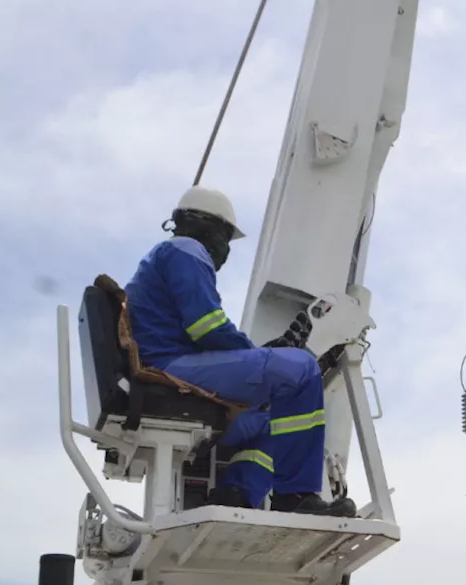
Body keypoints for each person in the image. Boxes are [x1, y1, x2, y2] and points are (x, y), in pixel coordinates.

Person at [124, 185, 357, 517]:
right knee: (301, 367)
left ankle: (236, 493)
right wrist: (257, 355)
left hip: (168, 366)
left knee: (271, 419)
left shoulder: (167, 256)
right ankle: (296, 496)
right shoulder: (186, 250)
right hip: (170, 367)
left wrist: (256, 359)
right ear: (212, 226)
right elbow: (208, 327)